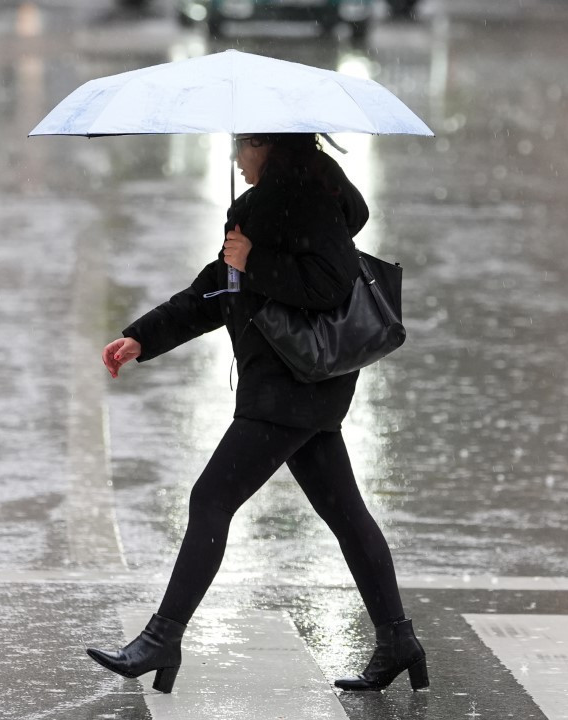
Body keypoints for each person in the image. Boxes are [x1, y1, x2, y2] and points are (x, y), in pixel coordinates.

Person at [86, 133, 428, 694]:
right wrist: (141, 338)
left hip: (289, 386)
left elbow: (329, 284)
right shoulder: (272, 202)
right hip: (302, 386)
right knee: (344, 513)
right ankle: (397, 639)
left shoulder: (303, 197)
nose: (236, 158)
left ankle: (162, 637)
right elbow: (218, 288)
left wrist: (255, 260)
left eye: (243, 146)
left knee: (211, 497)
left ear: (269, 147)